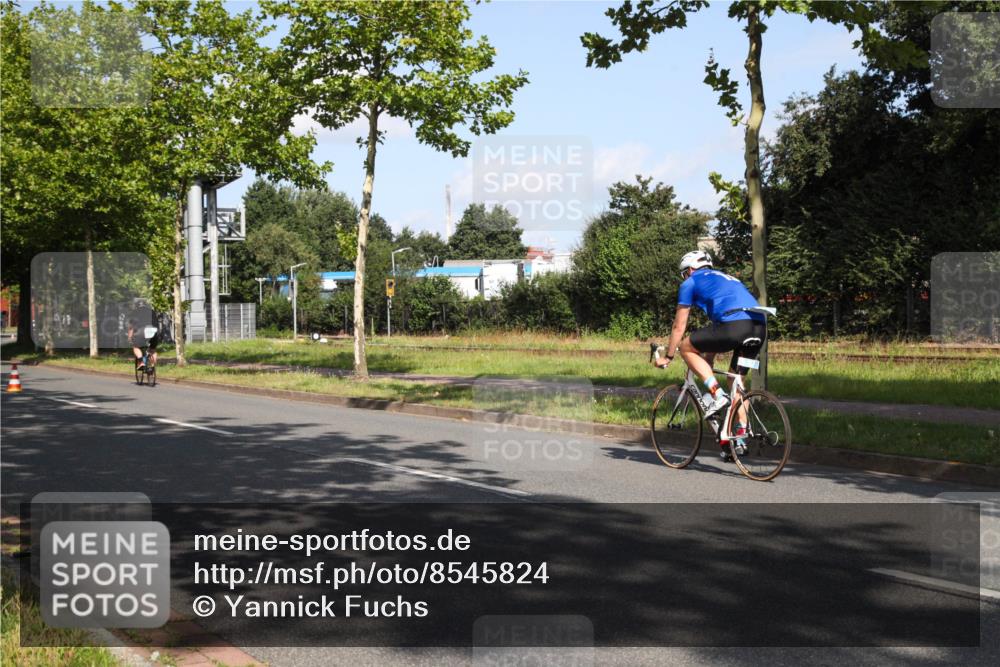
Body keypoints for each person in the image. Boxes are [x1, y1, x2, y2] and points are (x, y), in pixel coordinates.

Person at [651, 250, 767, 460]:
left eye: (684, 274)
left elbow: (679, 326)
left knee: (686, 347)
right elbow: (715, 336)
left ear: (690, 270)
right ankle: (740, 436)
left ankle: (716, 393)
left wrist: (668, 356)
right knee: (736, 380)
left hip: (734, 326)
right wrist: (706, 362)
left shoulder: (691, 283)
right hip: (759, 328)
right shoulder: (724, 279)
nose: (684, 278)